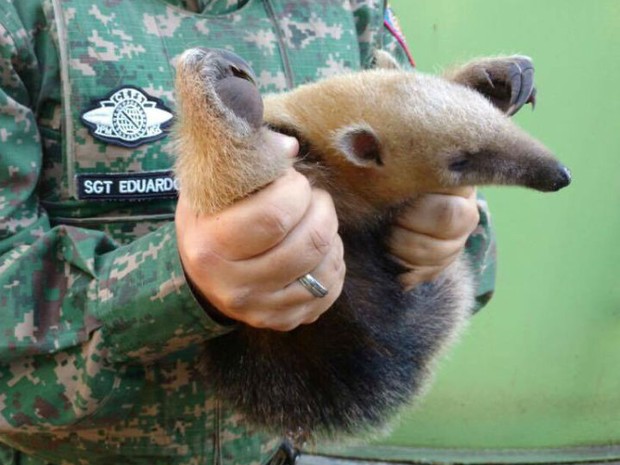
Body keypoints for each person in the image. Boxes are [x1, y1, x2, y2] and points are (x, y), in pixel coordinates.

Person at [0, 1, 495, 464]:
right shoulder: (21, 17)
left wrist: (445, 230)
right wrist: (176, 284)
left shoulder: (352, 10)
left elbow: (476, 263)